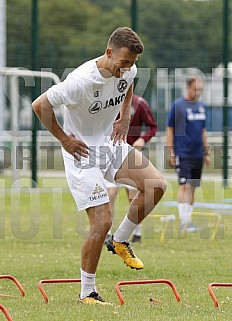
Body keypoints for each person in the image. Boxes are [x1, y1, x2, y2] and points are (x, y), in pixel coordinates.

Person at [32, 27, 167, 305]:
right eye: (124, 63)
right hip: (81, 153)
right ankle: (87, 293)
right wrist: (64, 140)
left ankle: (120, 241)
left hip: (110, 144)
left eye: (132, 63)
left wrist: (125, 117)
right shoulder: (79, 81)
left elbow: (129, 84)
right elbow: (39, 105)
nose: (128, 68)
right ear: (108, 53)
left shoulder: (129, 70)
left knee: (156, 185)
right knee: (102, 220)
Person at [107, 94, 158, 243]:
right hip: (109, 155)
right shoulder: (108, 100)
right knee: (110, 195)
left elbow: (152, 126)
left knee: (133, 196)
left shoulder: (139, 103)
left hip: (130, 156)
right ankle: (107, 233)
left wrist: (142, 139)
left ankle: (136, 233)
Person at [166, 77, 210, 234]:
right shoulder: (178, 106)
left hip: (198, 154)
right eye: (196, 89)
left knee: (193, 187)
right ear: (188, 88)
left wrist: (207, 152)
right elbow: (170, 129)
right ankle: (183, 221)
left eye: (200, 90)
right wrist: (170, 151)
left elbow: (203, 131)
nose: (198, 93)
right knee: (184, 185)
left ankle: (188, 221)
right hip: (183, 152)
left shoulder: (201, 106)